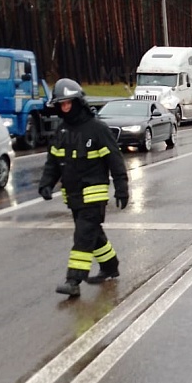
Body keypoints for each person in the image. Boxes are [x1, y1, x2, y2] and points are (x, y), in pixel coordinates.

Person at [39, 78, 129, 297]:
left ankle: (73, 280)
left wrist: (121, 187)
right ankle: (110, 266)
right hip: (73, 196)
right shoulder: (61, 131)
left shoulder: (97, 129)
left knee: (82, 236)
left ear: (78, 101)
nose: (65, 107)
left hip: (94, 195)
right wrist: (46, 183)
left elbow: (115, 160)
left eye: (68, 103)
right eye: (62, 104)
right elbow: (53, 162)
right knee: (93, 234)